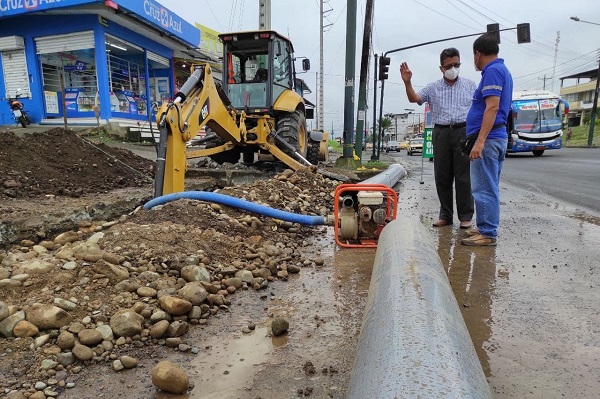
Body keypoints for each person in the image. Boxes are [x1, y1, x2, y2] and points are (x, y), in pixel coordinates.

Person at [400, 48, 477, 229]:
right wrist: (407, 83)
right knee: (442, 175)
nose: (453, 69)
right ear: (441, 68)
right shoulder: (433, 87)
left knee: (464, 176)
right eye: (449, 66)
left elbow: (479, 108)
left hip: (463, 132)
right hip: (441, 133)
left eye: (456, 65)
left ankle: (465, 216)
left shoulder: (470, 85)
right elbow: (415, 99)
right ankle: (445, 215)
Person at [461, 34, 513, 246]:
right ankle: (484, 226)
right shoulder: (502, 71)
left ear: (477, 54)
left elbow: (492, 107)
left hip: (489, 140)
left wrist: (480, 141)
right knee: (487, 185)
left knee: (484, 188)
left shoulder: (492, 71)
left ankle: (488, 232)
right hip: (496, 137)